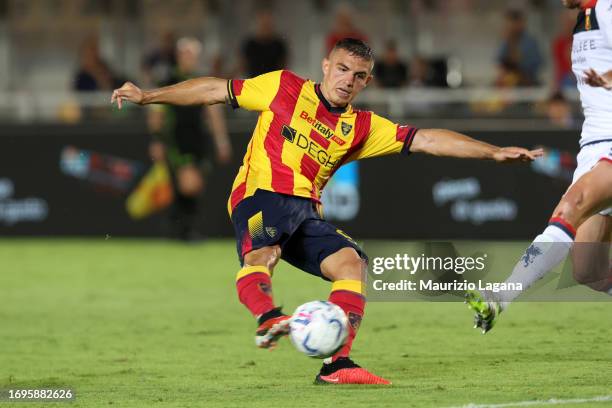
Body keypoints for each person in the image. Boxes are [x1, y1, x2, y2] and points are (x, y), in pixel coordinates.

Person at [111, 38, 541, 385]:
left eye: (358, 76)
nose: (348, 81)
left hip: (306, 213)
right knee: (264, 254)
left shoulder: (362, 127)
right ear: (324, 66)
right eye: (342, 69)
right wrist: (148, 96)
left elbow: (426, 139)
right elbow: (213, 90)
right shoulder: (283, 87)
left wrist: (494, 152)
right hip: (259, 195)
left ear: (366, 83)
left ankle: (337, 365)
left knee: (351, 263)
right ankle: (267, 318)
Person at [467, 0, 612, 334]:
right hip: (592, 148)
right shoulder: (583, 18)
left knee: (570, 208)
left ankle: (498, 297)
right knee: (589, 271)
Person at [147, 37, 232, 240]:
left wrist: (221, 141)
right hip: (177, 138)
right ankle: (181, 227)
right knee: (188, 183)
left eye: (192, 54)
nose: (188, 58)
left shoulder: (201, 81)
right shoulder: (168, 79)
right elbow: (156, 112)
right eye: (185, 54)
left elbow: (214, 113)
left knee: (196, 185)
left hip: (199, 139)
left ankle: (182, 228)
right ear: (178, 56)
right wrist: (156, 139)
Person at [496, 9, 543, 86]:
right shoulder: (505, 41)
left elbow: (537, 63)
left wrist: (520, 62)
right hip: (509, 82)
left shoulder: (530, 42)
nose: (510, 26)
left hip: (527, 81)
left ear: (520, 23)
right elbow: (499, 61)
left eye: (513, 22)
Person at [240, 10, 288, 77]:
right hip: (253, 82)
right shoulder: (249, 44)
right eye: (263, 24)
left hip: (273, 82)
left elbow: (284, 66)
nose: (266, 27)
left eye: (268, 24)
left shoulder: (279, 44)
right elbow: (242, 65)